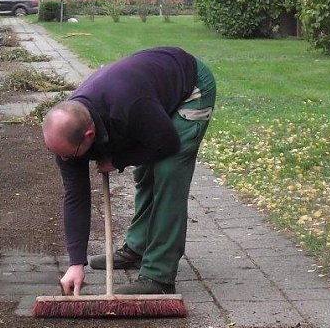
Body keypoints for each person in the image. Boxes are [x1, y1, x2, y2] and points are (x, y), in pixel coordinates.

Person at [42, 46, 216, 296]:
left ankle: (159, 276)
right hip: (148, 94)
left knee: (167, 170)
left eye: (68, 155)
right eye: (56, 152)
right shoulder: (68, 134)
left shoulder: (127, 107)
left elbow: (167, 143)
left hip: (190, 87)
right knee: (144, 172)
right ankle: (138, 248)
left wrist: (118, 160)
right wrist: (75, 263)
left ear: (89, 135)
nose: (63, 160)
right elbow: (76, 195)